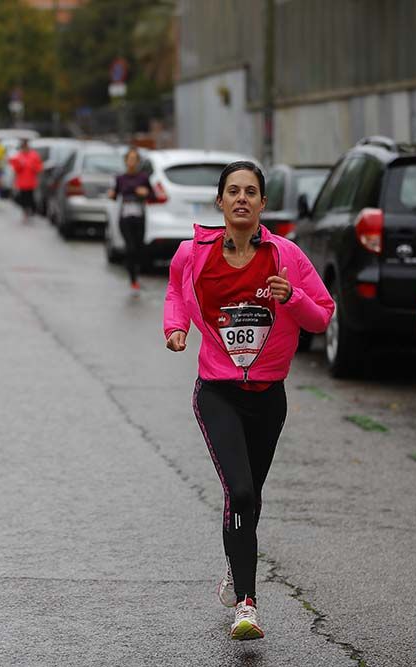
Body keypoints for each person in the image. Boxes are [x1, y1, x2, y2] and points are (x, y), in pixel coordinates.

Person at [162, 161, 334, 641]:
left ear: (262, 203)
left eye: (251, 192)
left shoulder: (287, 256)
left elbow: (322, 316)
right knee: (239, 492)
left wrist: (292, 297)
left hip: (268, 398)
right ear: (219, 202)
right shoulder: (193, 253)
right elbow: (176, 292)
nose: (241, 199)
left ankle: (235, 567)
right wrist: (175, 329)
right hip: (217, 392)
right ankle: (247, 605)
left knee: (250, 500)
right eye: (232, 191)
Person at [108, 147, 155, 293]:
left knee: (139, 247)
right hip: (125, 217)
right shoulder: (120, 178)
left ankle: (135, 271)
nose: (132, 162)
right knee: (130, 247)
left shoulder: (143, 178)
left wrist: (146, 193)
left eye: (134, 159)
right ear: (125, 161)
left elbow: (153, 196)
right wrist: (111, 194)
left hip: (139, 216)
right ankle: (132, 278)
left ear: (138, 161)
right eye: (129, 159)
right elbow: (115, 195)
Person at [9, 138, 43, 223]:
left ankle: (31, 211)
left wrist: (33, 168)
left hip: (31, 182)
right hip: (22, 182)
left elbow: (39, 167)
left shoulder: (34, 155)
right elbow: (15, 168)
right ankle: (25, 212)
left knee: (30, 198)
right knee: (23, 198)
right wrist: (20, 165)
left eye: (26, 147)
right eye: (23, 147)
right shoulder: (18, 156)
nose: (25, 149)